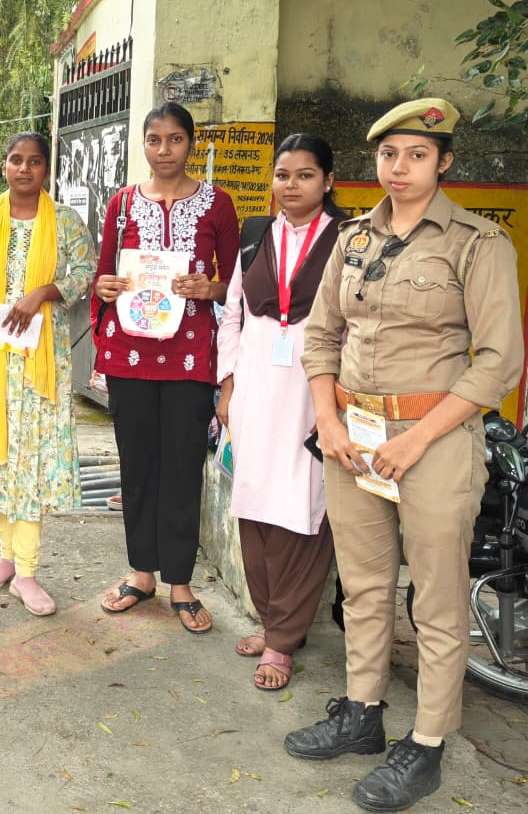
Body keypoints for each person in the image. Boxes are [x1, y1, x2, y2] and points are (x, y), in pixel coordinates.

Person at [287, 98, 523, 812]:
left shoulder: (477, 244)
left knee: (437, 600)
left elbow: (499, 362)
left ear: (443, 162)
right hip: (353, 440)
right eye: (389, 155)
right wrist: (327, 419)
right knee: (362, 587)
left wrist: (417, 438)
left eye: (417, 155)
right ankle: (362, 713)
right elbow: (321, 336)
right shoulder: (353, 238)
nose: (399, 168)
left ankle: (425, 743)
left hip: (436, 440)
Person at [92, 101, 239, 634]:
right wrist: (104, 287)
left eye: (175, 140)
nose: (164, 150)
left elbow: (234, 283)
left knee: (181, 465)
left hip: (191, 355)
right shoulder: (123, 206)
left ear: (190, 144)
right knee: (138, 466)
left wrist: (210, 287)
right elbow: (104, 274)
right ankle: (141, 573)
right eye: (155, 140)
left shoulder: (218, 205)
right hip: (131, 353)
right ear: (145, 145)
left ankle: (180, 581)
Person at [216, 134, 346, 690]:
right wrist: (226, 386)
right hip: (256, 387)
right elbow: (231, 315)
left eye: (304, 175)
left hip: (314, 388)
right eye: (282, 175)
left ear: (328, 182)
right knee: (254, 503)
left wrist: (337, 403)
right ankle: (273, 621)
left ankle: (283, 641)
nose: (290, 186)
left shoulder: (349, 239)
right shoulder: (253, 236)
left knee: (304, 508)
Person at [0, 132, 96, 616]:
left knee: (32, 461)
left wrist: (43, 292)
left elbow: (85, 273)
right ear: (3, 166)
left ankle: (29, 571)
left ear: (46, 169)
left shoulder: (66, 222)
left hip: (41, 361)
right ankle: (6, 558)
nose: (24, 169)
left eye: (34, 162)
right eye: (16, 160)